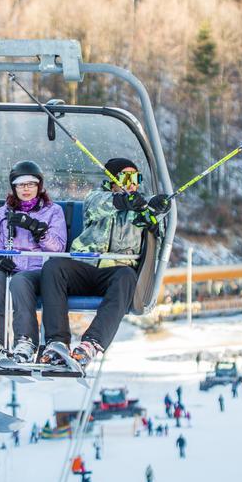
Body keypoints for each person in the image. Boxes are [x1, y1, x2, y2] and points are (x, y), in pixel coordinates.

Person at [39, 157, 170, 369]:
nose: (132, 183)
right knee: (54, 267)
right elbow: (99, 207)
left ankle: (92, 343)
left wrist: (155, 219)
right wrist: (125, 201)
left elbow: (157, 234)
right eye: (126, 177)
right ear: (112, 180)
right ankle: (56, 341)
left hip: (115, 274)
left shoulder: (140, 209)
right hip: (86, 267)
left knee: (127, 276)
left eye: (136, 178)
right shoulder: (97, 198)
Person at [0, 161, 67, 363]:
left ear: (39, 186)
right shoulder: (2, 213)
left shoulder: (53, 212)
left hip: (39, 270)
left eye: (30, 184)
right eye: (20, 185)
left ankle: (25, 340)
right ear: (14, 188)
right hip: (11, 266)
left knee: (20, 282)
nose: (25, 189)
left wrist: (38, 230)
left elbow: (59, 248)